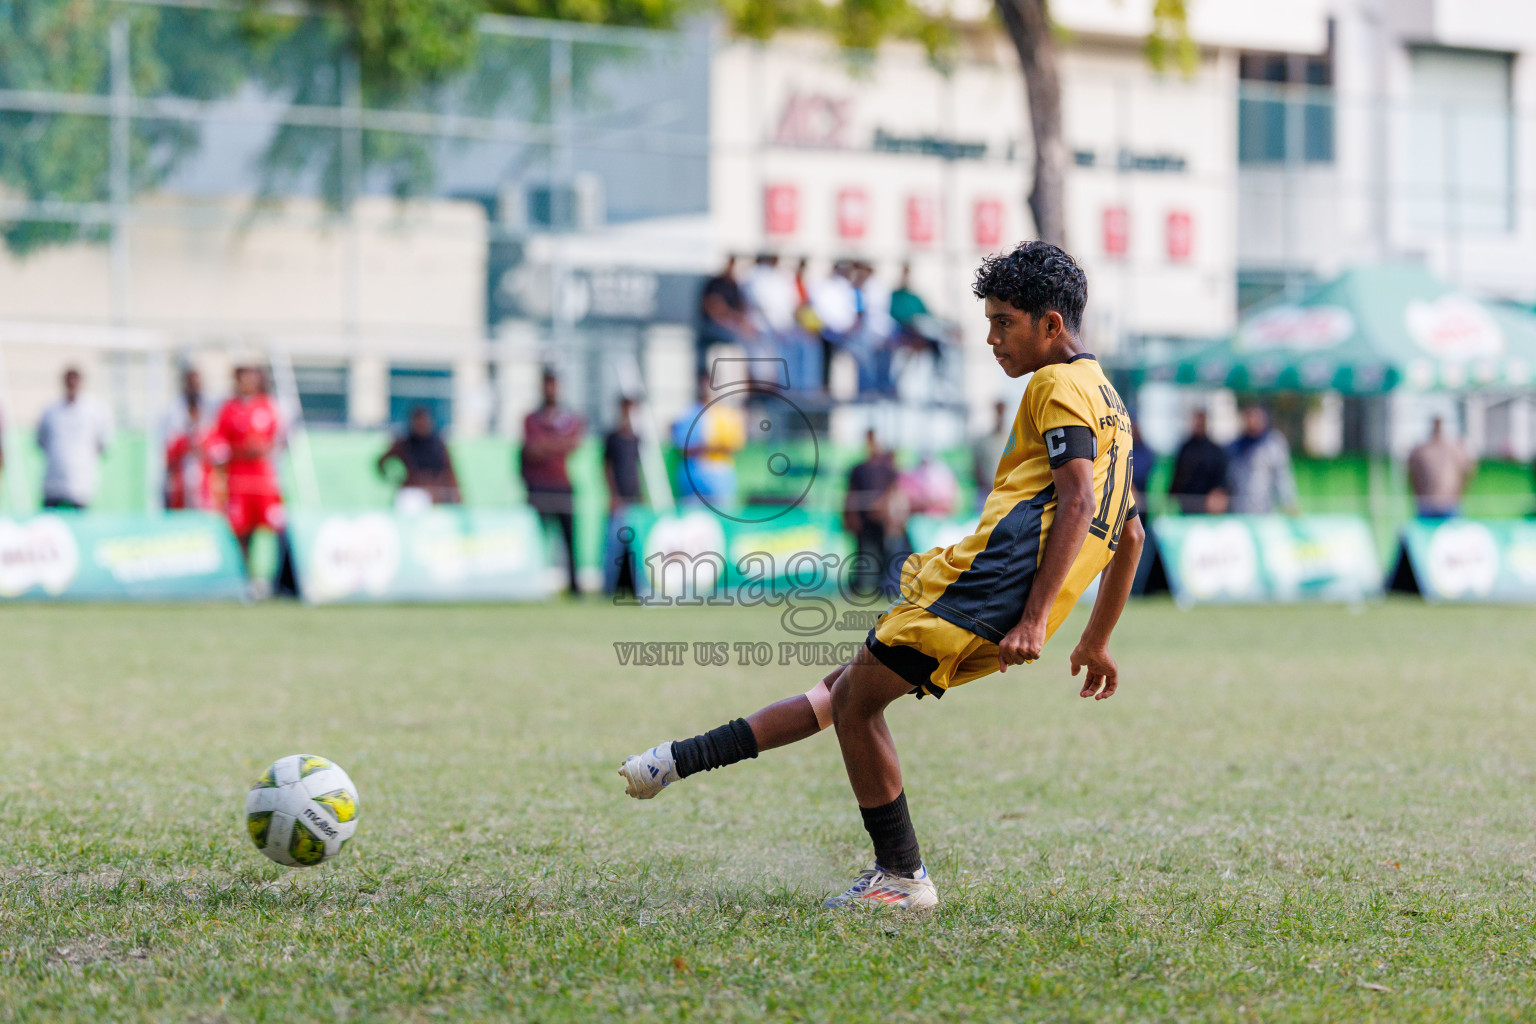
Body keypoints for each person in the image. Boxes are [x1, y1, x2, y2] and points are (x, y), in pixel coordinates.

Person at [618, 242, 1145, 911]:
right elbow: (1129, 532)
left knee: (855, 705)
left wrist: (1036, 616)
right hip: (1004, 594)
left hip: (993, 586)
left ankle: (901, 876)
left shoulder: (1055, 384)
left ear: (1052, 326)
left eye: (1004, 322)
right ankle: (676, 760)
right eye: (987, 320)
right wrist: (1094, 638)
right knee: (840, 693)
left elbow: (1077, 502)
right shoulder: (1110, 402)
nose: (990, 338)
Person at [207, 366, 295, 593]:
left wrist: (265, 448)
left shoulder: (270, 406)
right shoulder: (228, 410)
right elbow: (218, 444)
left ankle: (282, 582)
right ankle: (245, 581)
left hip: (265, 482)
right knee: (242, 534)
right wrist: (239, 452)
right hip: (238, 482)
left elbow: (282, 440)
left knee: (279, 529)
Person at [520, 369, 586, 596]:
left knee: (569, 540)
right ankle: (532, 586)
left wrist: (548, 445)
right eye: (548, 384)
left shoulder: (568, 418)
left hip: (562, 486)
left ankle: (575, 588)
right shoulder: (531, 418)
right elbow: (532, 450)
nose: (551, 389)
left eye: (554, 384)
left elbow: (574, 443)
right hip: (538, 486)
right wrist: (557, 444)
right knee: (536, 540)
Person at [36, 366, 113, 510]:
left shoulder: (95, 410)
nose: (72, 384)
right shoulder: (50, 411)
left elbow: (103, 444)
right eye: (69, 380)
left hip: (80, 482)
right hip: (53, 481)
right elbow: (40, 441)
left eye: (75, 380)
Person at [843, 430, 907, 599]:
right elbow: (851, 494)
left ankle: (884, 586)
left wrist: (891, 515)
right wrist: (851, 518)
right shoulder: (858, 469)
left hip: (883, 521)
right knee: (863, 555)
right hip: (864, 522)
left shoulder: (887, 470)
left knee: (886, 553)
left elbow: (893, 492)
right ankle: (860, 586)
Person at [671, 372, 745, 510]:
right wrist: (710, 447)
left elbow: (733, 445)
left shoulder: (727, 414)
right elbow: (683, 447)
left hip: (720, 480)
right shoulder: (688, 413)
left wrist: (709, 448)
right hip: (694, 480)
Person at [603, 396, 645, 597]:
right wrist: (613, 496)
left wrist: (642, 495)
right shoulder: (613, 438)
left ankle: (639, 589)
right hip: (619, 502)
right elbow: (607, 468)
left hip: (635, 502)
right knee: (613, 550)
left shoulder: (638, 439)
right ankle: (608, 590)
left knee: (638, 551)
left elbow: (640, 470)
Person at [378, 406, 461, 507]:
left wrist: (456, 494)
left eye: (424, 421)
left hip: (436, 494)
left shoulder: (438, 445)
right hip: (412, 492)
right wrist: (395, 478)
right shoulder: (405, 445)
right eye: (418, 422)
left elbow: (449, 471)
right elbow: (382, 462)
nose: (421, 425)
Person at [1226, 404, 1297, 515]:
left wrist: (1288, 502)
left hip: (1265, 511)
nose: (1253, 420)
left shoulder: (1273, 443)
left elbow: (1282, 477)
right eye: (1250, 416)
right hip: (1239, 510)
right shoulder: (1234, 446)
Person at [1408, 416, 1473, 519]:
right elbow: (1412, 474)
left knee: (1448, 533)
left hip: (1446, 502)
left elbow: (1467, 471)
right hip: (1428, 502)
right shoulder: (1423, 450)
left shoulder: (1453, 449)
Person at [696, 255, 750, 376]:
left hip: (729, 327)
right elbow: (713, 307)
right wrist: (730, 321)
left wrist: (743, 324)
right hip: (711, 327)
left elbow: (740, 309)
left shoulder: (734, 285)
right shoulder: (715, 283)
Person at [1168, 409, 1228, 515]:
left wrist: (1217, 493)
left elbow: (1221, 478)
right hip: (1186, 504)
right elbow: (1177, 475)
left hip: (1208, 507)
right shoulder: (1185, 448)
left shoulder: (1215, 450)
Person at [164, 385, 214, 511]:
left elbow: (218, 460)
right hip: (183, 490)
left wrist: (201, 451)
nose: (193, 414)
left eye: (195, 410)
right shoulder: (179, 437)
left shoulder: (209, 435)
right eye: (190, 410)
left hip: (204, 489)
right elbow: (170, 461)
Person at [972, 399, 1012, 510]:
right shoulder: (984, 441)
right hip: (986, 494)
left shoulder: (1012, 439)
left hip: (1007, 494)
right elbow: (976, 468)